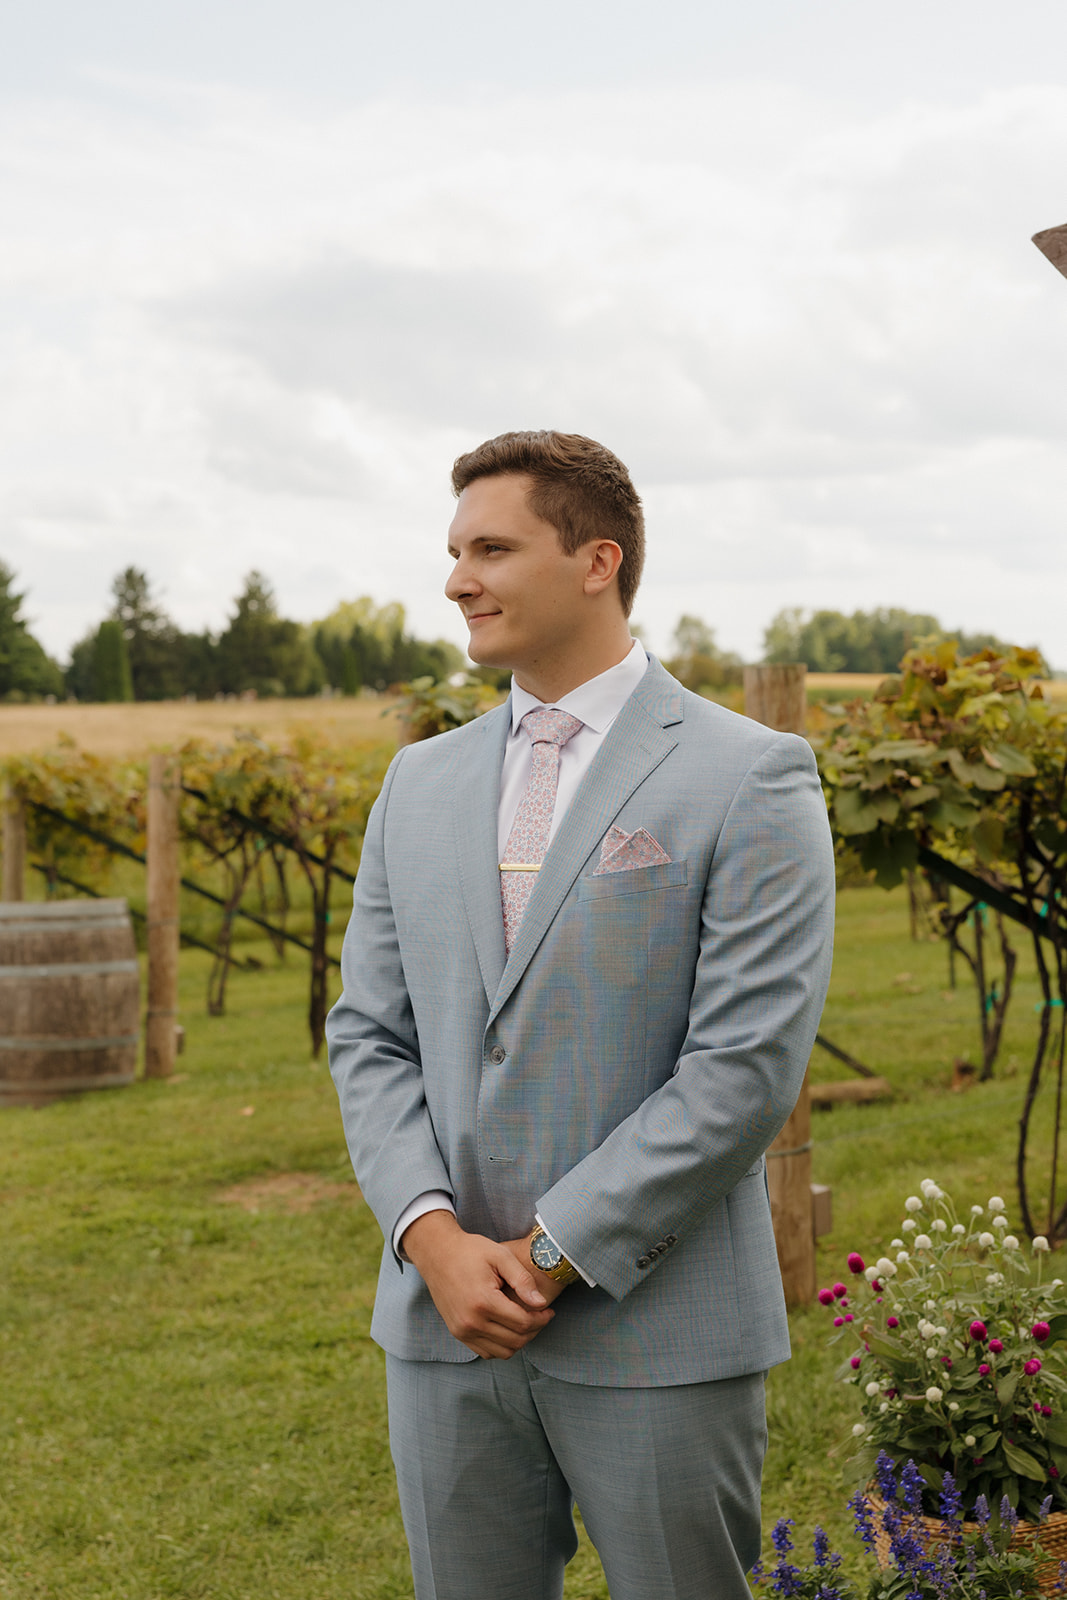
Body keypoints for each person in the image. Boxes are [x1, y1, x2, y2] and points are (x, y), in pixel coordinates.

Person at [326, 430, 835, 1600]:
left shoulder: (747, 774)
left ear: (596, 559)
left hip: (658, 1326)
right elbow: (367, 1033)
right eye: (453, 551)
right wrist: (432, 1240)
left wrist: (548, 1258)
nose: (457, 578)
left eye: (491, 548)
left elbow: (741, 1071)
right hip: (440, 1325)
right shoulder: (419, 782)